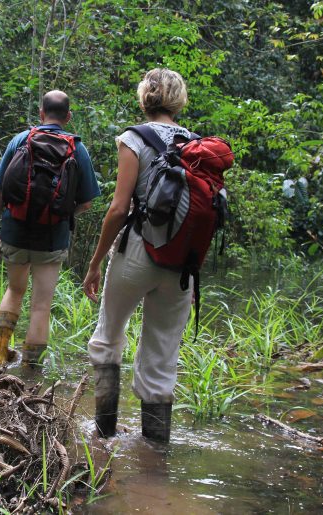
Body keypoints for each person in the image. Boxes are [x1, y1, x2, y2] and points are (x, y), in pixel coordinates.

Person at [82, 68, 193, 442]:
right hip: (182, 264)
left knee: (108, 338)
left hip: (136, 255)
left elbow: (118, 208)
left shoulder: (134, 138)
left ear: (145, 97)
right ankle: (155, 458)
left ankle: (104, 433)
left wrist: (96, 263)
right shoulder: (195, 145)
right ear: (178, 100)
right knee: (161, 358)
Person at [0, 90, 100, 367]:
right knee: (41, 305)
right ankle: (30, 369)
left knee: (14, 290)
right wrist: (61, 213)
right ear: (68, 117)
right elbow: (86, 202)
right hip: (52, 237)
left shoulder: (21, 140)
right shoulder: (77, 148)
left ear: (41, 113)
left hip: (15, 230)